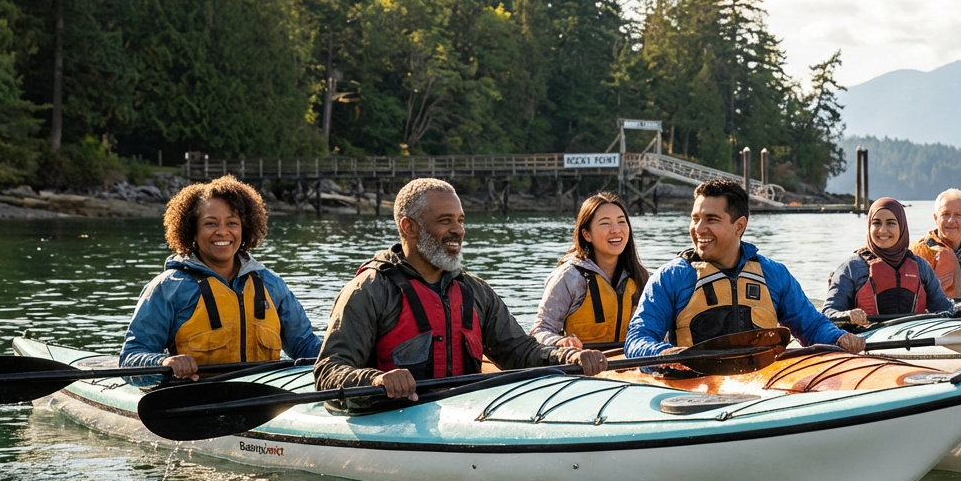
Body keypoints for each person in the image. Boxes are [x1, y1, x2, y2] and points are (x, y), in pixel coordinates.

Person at [314, 178, 607, 404]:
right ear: (409, 227)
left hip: (464, 414)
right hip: (391, 415)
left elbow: (520, 352)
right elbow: (329, 371)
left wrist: (566, 358)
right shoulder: (370, 289)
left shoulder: (475, 290)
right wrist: (376, 380)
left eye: (460, 220)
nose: (459, 230)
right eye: (445, 221)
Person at [625, 179, 865, 358]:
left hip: (764, 383)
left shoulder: (774, 273)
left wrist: (838, 337)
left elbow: (812, 326)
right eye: (695, 218)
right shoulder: (670, 277)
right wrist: (664, 354)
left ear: (739, 226)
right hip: (695, 386)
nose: (698, 229)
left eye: (711, 219)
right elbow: (637, 339)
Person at [120, 175, 322, 380]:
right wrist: (164, 362)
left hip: (265, 398)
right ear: (192, 231)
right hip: (195, 400)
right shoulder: (168, 288)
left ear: (244, 228)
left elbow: (305, 345)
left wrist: (346, 354)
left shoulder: (271, 284)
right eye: (210, 223)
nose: (222, 232)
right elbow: (130, 359)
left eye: (232, 223)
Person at [823, 197, 961, 324]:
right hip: (867, 339)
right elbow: (828, 312)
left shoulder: (920, 266)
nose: (883, 230)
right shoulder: (852, 267)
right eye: (876, 223)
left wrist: (960, 310)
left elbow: (942, 307)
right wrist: (847, 315)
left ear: (901, 227)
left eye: (891, 223)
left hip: (916, 337)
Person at [531, 192, 648, 347]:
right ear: (586, 234)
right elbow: (540, 330)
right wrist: (559, 341)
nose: (616, 230)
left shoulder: (642, 277)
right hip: (581, 365)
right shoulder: (568, 277)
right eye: (605, 223)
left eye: (621, 221)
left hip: (631, 365)